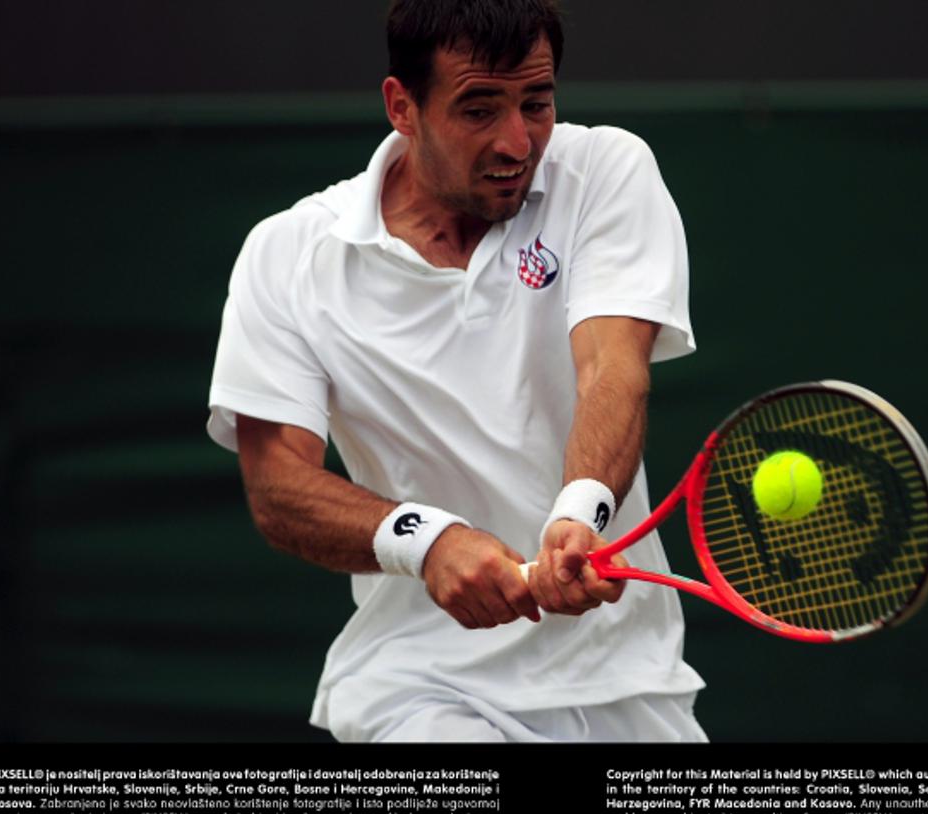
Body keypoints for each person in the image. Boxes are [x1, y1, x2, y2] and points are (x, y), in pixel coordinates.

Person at [206, 0, 705, 742]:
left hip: (628, 680)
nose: (516, 140)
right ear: (401, 106)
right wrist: (425, 541)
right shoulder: (288, 256)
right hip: (421, 690)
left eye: (536, 103)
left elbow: (612, 369)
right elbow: (278, 485)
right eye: (479, 108)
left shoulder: (605, 171)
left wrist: (579, 513)